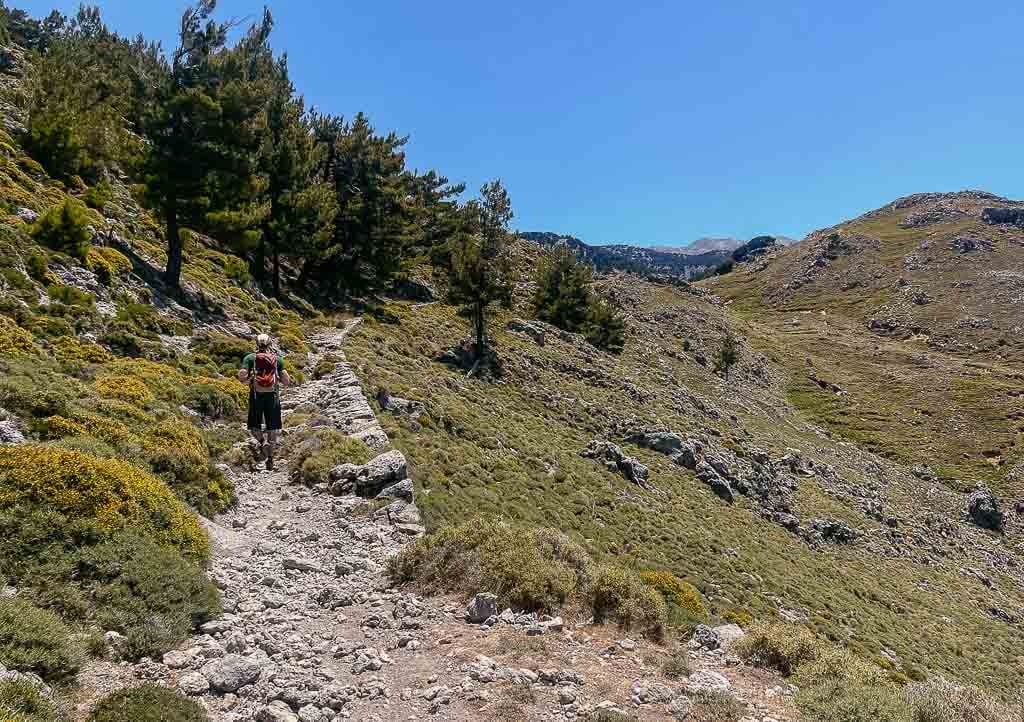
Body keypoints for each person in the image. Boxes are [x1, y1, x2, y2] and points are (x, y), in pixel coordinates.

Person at [238, 334, 290, 470]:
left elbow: (241, 377)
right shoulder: (277, 359)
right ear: (269, 344)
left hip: (256, 396)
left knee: (254, 426)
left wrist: (250, 378)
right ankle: (270, 459)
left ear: (257, 344)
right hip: (273, 397)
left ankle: (262, 442)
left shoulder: (250, 358)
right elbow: (286, 381)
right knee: (273, 427)